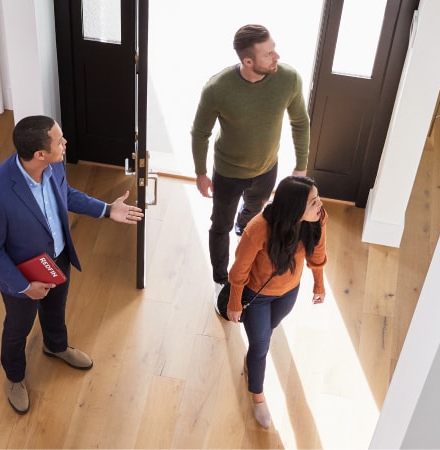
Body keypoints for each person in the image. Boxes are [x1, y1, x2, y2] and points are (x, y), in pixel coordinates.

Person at [0, 115, 144, 415]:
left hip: (58, 257)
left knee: (56, 308)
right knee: (18, 328)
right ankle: (15, 377)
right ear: (40, 154)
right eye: (59, 140)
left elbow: (65, 195)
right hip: (21, 276)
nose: (65, 143)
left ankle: (55, 345)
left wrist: (106, 210)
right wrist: (25, 286)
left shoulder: (54, 164)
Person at [190, 24, 310, 299]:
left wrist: (301, 165)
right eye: (268, 54)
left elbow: (300, 123)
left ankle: (243, 224)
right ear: (248, 61)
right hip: (228, 172)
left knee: (254, 214)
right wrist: (200, 172)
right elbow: (200, 132)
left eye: (274, 49)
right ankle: (221, 278)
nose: (276, 57)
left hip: (267, 169)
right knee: (220, 225)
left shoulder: (288, 79)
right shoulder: (218, 88)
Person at [226, 175, 327, 429]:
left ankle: (252, 361)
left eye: (317, 198)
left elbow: (317, 253)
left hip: (288, 292)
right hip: (256, 296)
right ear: (295, 208)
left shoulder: (316, 220)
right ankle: (258, 396)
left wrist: (319, 283)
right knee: (261, 344)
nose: (320, 205)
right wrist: (235, 302)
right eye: (313, 201)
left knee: (266, 334)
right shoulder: (258, 229)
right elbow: (239, 270)